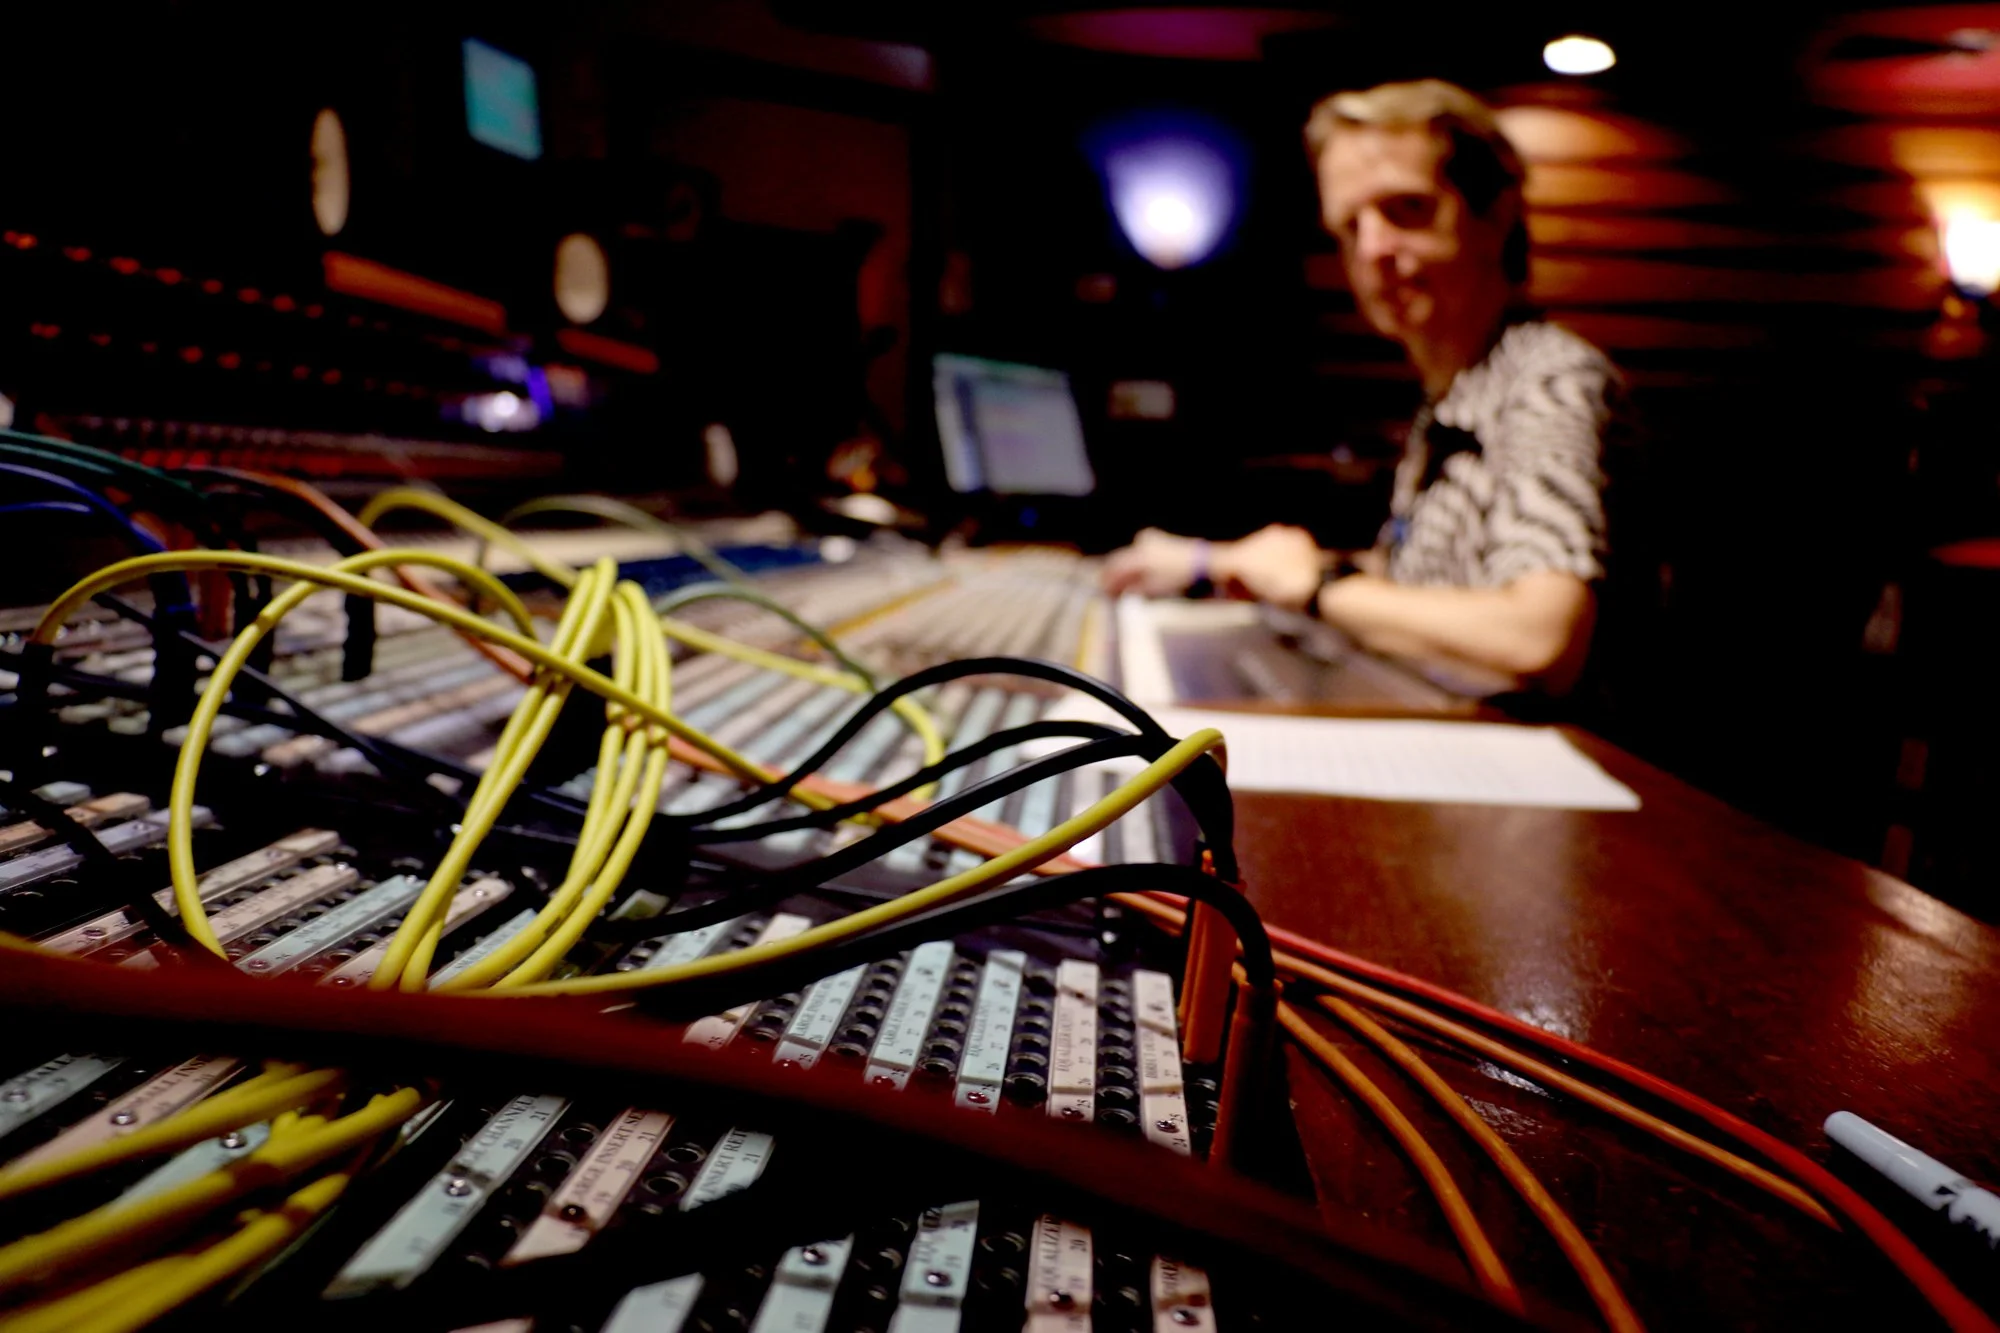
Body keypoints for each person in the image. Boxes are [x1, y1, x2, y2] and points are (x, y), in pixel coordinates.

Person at [1102, 79, 1624, 698]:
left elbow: (1541, 637)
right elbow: (1425, 587)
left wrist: (1317, 587)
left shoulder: (1550, 379)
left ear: (1496, 218)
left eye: (1407, 209)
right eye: (1350, 226)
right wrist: (1221, 563)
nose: (1373, 248)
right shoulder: (1454, 396)